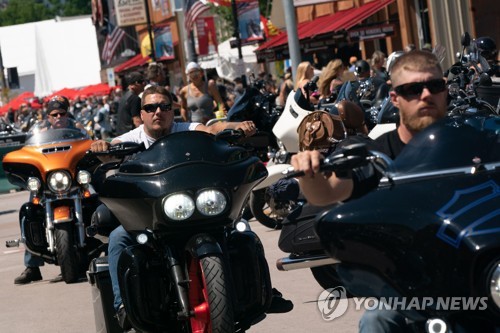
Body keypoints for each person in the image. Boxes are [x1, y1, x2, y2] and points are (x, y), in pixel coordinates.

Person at [91, 86, 285, 329]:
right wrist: (102, 147)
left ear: (174, 111)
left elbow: (211, 130)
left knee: (241, 231)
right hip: (155, 217)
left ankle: (265, 291)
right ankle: (122, 307)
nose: (158, 112)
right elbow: (111, 148)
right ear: (141, 114)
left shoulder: (188, 130)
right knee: (118, 239)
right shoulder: (133, 138)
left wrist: (234, 127)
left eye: (164, 106)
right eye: (150, 108)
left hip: (195, 207)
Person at [290, 50, 448, 332]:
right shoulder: (378, 154)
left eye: (434, 86)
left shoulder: (471, 142)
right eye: (412, 89)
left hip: (477, 269)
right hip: (409, 282)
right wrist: (308, 171)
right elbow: (326, 193)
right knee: (378, 320)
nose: (425, 95)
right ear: (394, 97)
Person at [13, 95, 79, 284]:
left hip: (74, 183)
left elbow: (89, 146)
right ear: (48, 117)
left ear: (67, 114)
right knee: (29, 210)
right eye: (54, 114)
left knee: (99, 198)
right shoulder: (40, 134)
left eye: (62, 113)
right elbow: (29, 153)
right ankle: (32, 266)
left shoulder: (78, 131)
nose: (58, 117)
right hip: (49, 183)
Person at [116, 71, 146, 135]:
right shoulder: (134, 99)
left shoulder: (124, 97)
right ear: (135, 83)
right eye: (142, 82)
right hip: (130, 137)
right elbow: (137, 121)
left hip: (122, 135)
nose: (144, 84)